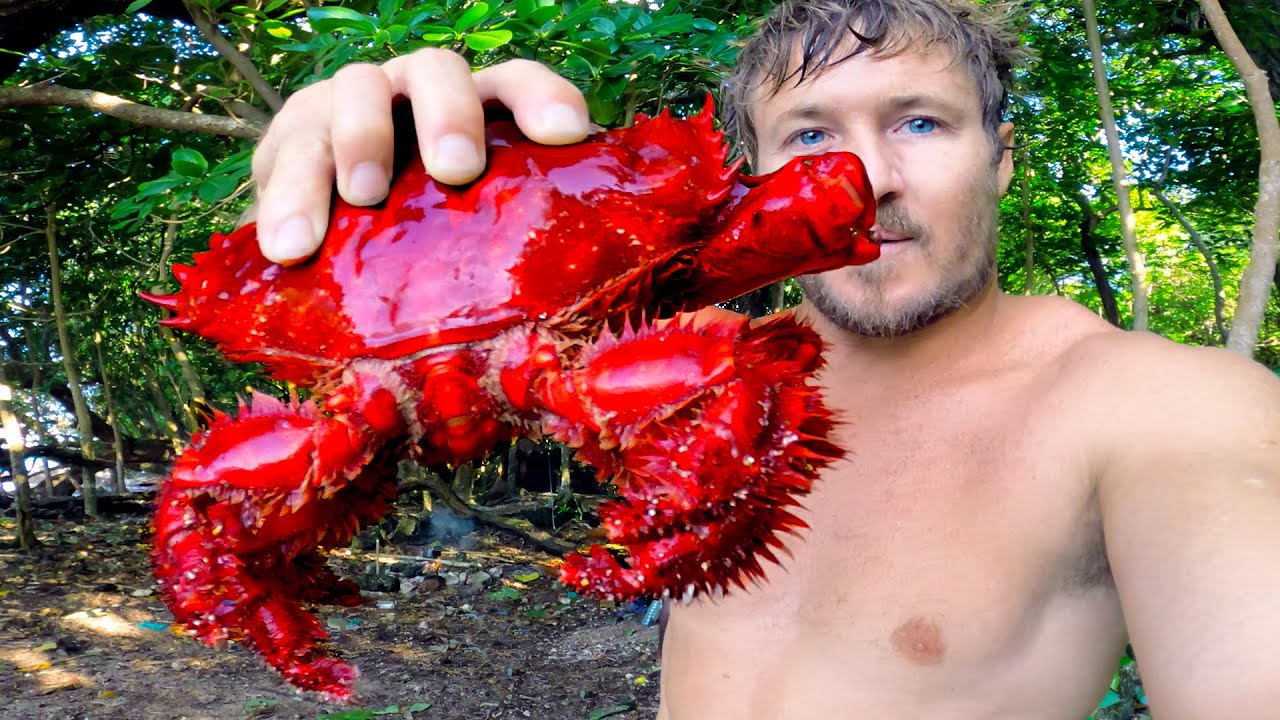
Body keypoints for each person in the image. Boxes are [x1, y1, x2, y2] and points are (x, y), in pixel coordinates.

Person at [246, 1, 1280, 717]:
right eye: (810, 136)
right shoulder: (676, 374)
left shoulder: (1155, 405)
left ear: (1001, 159)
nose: (868, 176)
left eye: (921, 122)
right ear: (751, 175)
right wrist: (402, 222)